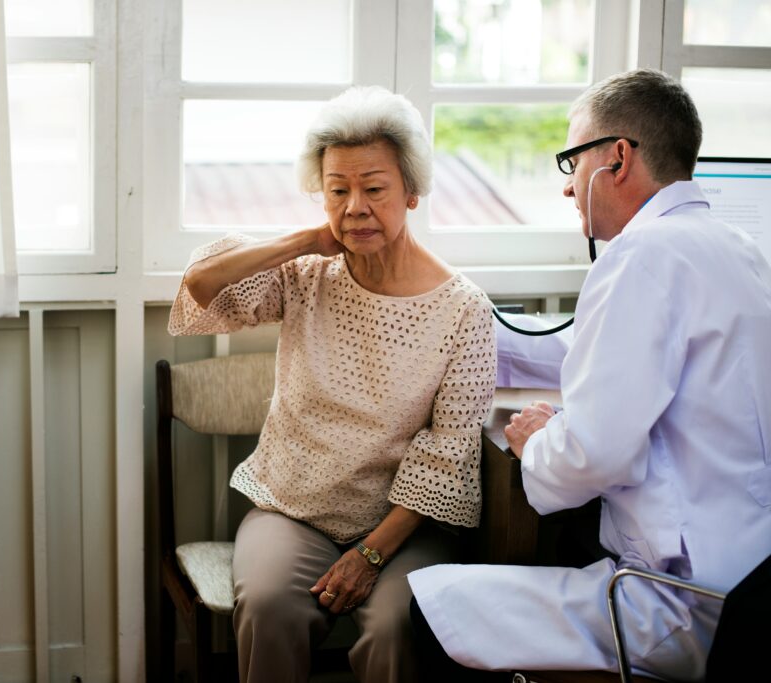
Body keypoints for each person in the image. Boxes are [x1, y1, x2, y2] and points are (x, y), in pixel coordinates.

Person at [409, 68, 771, 681]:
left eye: (571, 161)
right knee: (576, 538)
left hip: (677, 604)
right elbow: (590, 348)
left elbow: (594, 459)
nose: (568, 187)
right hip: (748, 582)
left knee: (429, 608)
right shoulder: (739, 248)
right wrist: (461, 326)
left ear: (618, 159)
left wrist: (536, 444)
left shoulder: (639, 257)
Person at [167, 85, 496, 683]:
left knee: (396, 627)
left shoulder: (463, 311)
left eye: (374, 188)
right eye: (337, 190)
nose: (355, 207)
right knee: (268, 607)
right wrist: (305, 240)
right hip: (293, 510)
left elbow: (448, 455)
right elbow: (201, 286)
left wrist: (370, 554)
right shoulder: (307, 275)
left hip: (403, 526)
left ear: (412, 191)